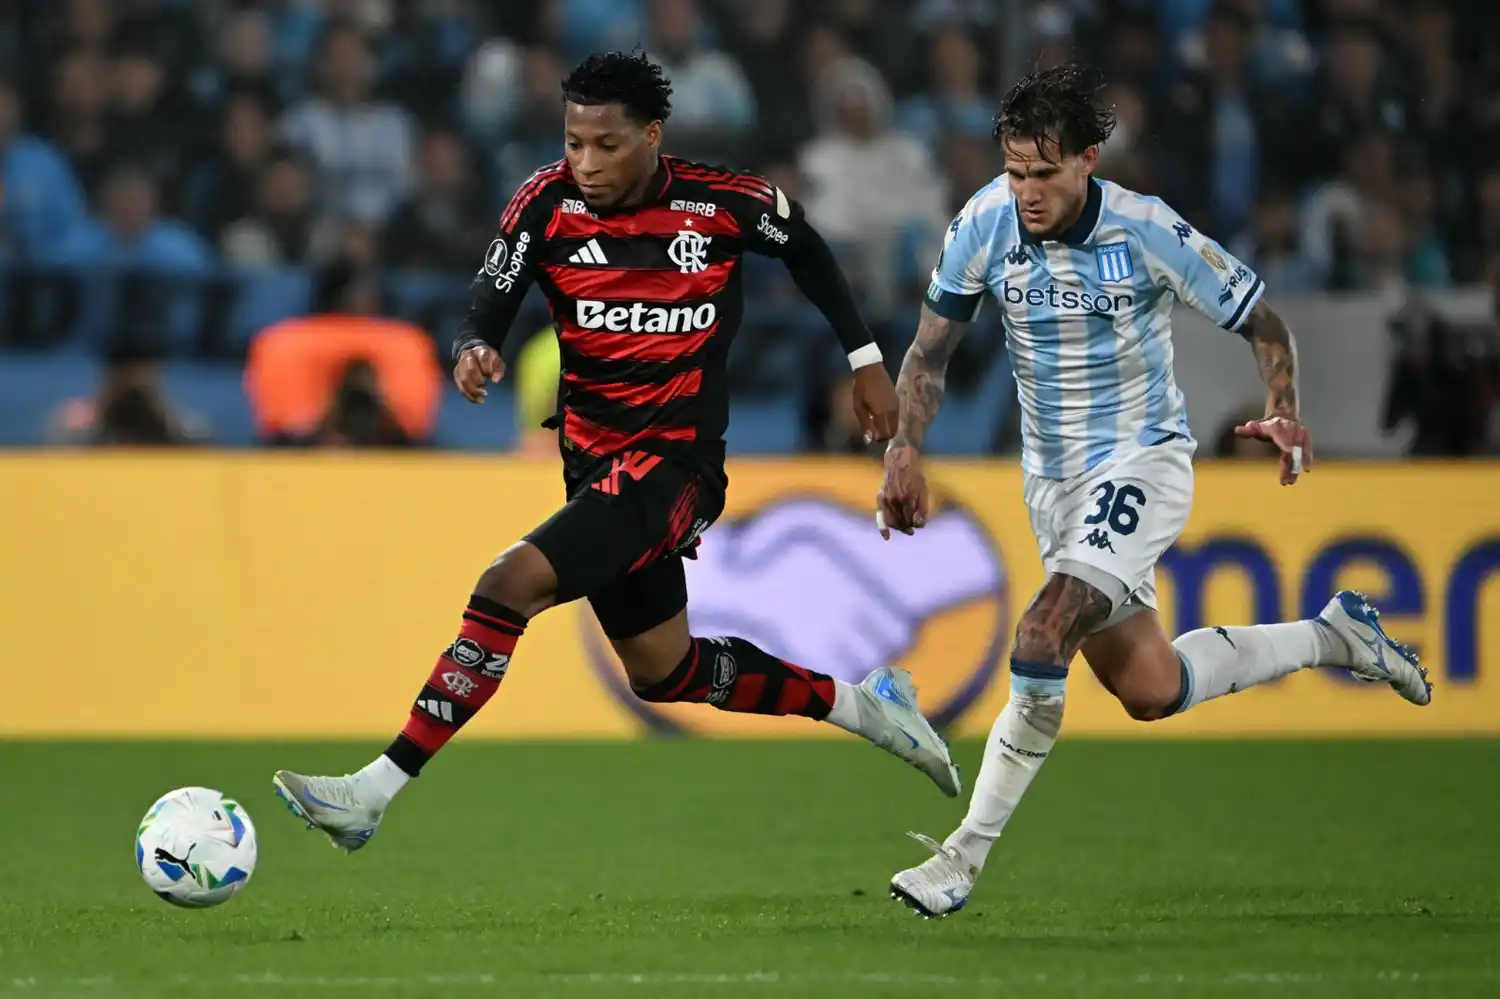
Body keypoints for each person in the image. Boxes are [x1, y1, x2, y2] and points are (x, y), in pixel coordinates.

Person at [271, 51, 961, 852]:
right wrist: (474, 346)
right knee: (662, 670)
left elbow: (806, 248)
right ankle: (864, 704)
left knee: (507, 583)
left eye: (605, 145)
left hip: (675, 467)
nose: (585, 164)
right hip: (594, 468)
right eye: (573, 143)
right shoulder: (545, 203)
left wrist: (865, 359)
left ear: (652, 136)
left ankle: (372, 790)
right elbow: (494, 289)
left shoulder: (719, 204)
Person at [874, 65, 1432, 919]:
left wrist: (1282, 410)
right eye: (1015, 170)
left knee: (1040, 629)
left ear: (1089, 160)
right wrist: (904, 449)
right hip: (1052, 484)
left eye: (1044, 173)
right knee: (1150, 686)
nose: (1025, 190)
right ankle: (1335, 637)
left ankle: (960, 858)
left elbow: (1262, 319)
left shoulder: (1145, 230)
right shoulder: (984, 223)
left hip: (1142, 463)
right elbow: (928, 352)